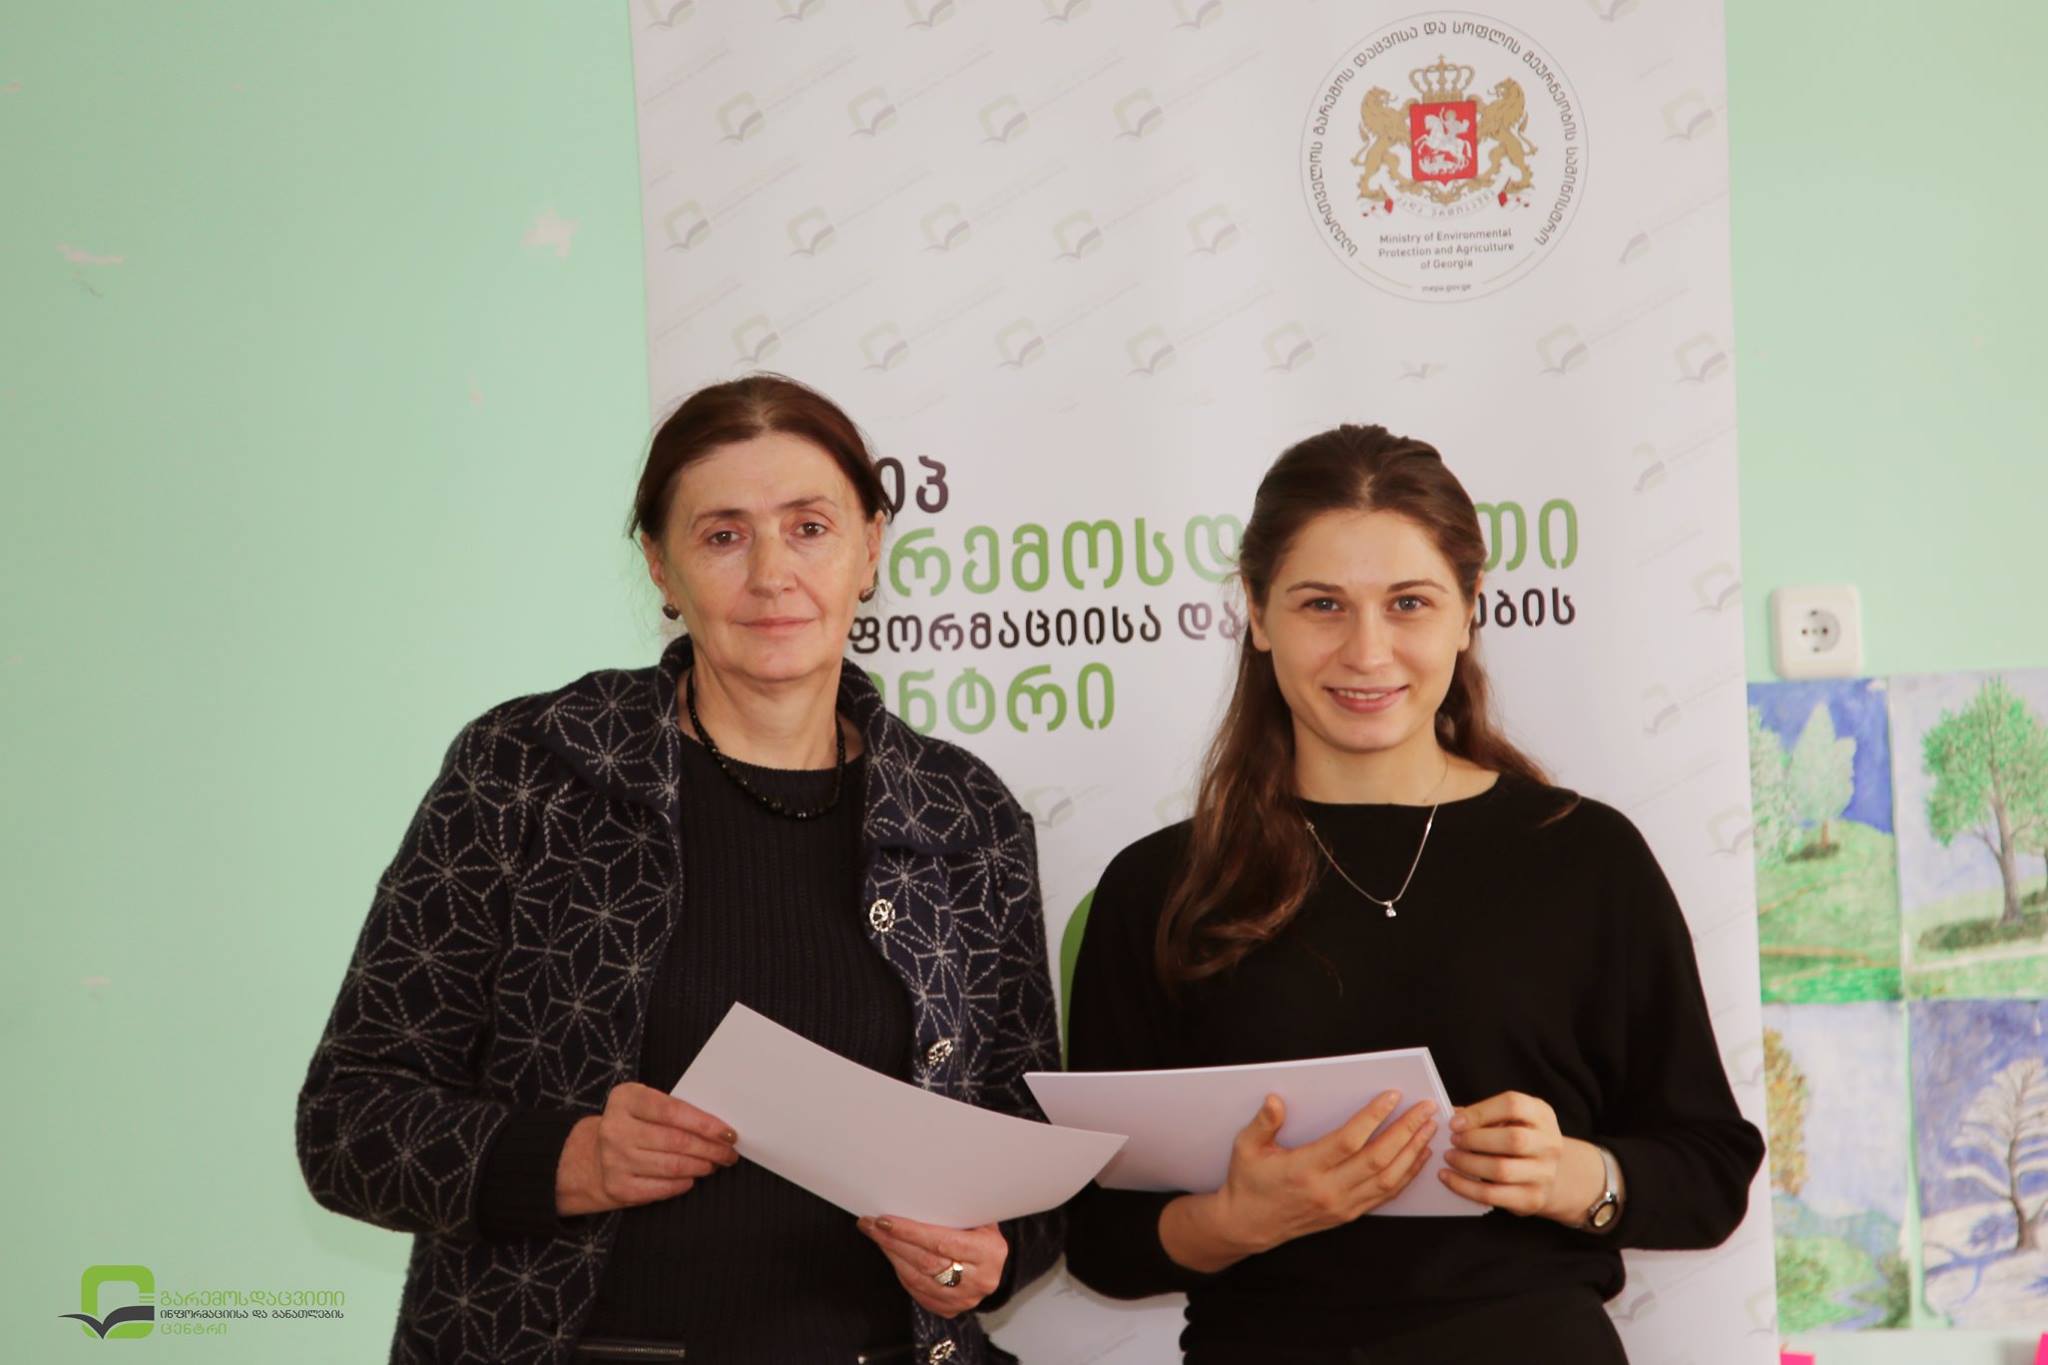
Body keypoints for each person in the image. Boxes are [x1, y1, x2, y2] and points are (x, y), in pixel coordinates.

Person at [297, 374, 1061, 1365]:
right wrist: (570, 1158)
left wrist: (983, 1258)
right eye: (723, 535)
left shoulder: (965, 815)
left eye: (810, 528)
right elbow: (349, 1120)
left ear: (871, 548)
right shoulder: (528, 769)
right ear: (661, 567)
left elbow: (1030, 1151)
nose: (772, 574)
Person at [1062, 424, 1763, 1364]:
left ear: (1469, 611)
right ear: (1257, 615)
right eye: (1322, 604)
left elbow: (1711, 1172)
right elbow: (1098, 1238)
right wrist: (1235, 1218)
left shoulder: (1586, 856)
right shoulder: (1161, 887)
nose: (1367, 650)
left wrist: (1573, 1175)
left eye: (1409, 603)